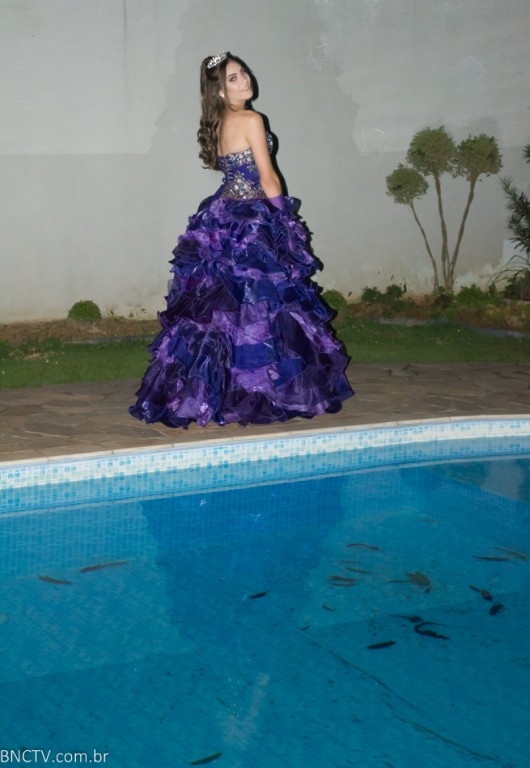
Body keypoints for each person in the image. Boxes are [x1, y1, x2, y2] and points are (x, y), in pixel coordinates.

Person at [129, 52, 353, 428]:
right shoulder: (251, 119)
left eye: (243, 72)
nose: (244, 79)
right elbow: (268, 178)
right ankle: (262, 391)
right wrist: (284, 217)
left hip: (222, 216)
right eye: (233, 78)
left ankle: (206, 393)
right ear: (219, 90)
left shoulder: (219, 122)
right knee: (260, 306)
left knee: (220, 311)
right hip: (252, 220)